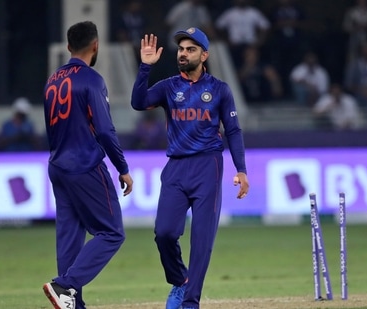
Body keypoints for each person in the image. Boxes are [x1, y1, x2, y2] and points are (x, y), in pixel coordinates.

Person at [131, 28, 250, 309]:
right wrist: (145, 67)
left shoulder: (219, 89)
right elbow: (138, 102)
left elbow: (233, 130)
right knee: (165, 233)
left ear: (204, 55)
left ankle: (190, 302)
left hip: (208, 166)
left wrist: (241, 170)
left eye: (191, 49)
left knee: (201, 240)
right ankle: (180, 281)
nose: (183, 53)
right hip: (175, 167)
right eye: (181, 49)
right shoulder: (168, 86)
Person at [41, 21, 134, 309]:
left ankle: (72, 304)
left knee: (69, 237)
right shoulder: (92, 80)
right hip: (84, 164)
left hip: (58, 165)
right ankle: (65, 285)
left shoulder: (52, 80)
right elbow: (105, 130)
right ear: (95, 46)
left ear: (69, 47)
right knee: (111, 232)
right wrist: (122, 167)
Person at [215, 0, 270, 68]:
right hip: (234, 45)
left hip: (250, 45)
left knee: (251, 57)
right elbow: (219, 26)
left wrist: (259, 42)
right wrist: (227, 41)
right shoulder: (230, 13)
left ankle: (242, 77)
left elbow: (265, 27)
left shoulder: (253, 12)